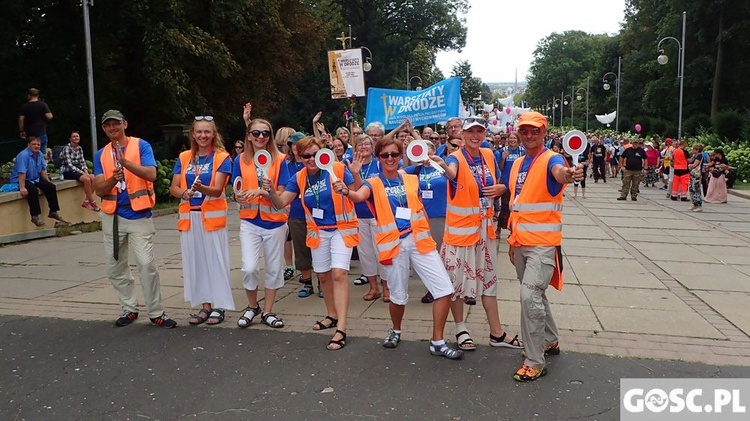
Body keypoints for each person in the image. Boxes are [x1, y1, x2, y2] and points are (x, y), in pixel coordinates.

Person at [334, 138, 463, 360]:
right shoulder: (373, 182)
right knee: (398, 297)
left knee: (444, 289)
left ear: (400, 156)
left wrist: (436, 160)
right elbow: (358, 196)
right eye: (385, 155)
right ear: (378, 159)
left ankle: (437, 341)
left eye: (394, 154)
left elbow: (442, 174)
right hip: (393, 245)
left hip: (419, 240)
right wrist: (347, 188)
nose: (390, 159)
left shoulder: (410, 176)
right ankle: (396, 330)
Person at [431, 116, 522, 352]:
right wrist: (441, 165)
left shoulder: (489, 155)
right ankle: (461, 328)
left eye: (480, 131)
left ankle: (496, 332)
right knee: (458, 283)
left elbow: (499, 182)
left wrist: (503, 188)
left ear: (484, 134)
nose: (475, 136)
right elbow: (451, 173)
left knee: (489, 281)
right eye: (471, 131)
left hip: (485, 229)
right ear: (462, 134)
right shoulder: (455, 158)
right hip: (461, 232)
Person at [507, 111, 583, 382]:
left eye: (534, 131)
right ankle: (549, 340)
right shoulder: (517, 163)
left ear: (544, 133)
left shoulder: (552, 159)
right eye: (524, 131)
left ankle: (535, 359)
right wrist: (512, 241)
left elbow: (561, 174)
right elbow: (518, 202)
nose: (529, 135)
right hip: (520, 243)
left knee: (529, 298)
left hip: (542, 245)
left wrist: (570, 175)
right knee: (535, 295)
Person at [265, 136, 360, 351]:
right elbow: (281, 203)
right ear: (299, 157)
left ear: (322, 153)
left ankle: (342, 328)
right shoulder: (299, 177)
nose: (311, 159)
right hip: (318, 232)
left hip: (341, 230)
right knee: (323, 275)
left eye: (315, 154)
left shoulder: (336, 167)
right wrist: (270, 190)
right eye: (306, 155)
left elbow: (358, 194)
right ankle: (332, 315)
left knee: (339, 274)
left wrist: (351, 178)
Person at [93, 109, 176, 328]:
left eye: (116, 124)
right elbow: (99, 190)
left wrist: (127, 164)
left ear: (125, 124)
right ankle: (129, 308)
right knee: (115, 267)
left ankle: (156, 312)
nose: (113, 128)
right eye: (108, 125)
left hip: (139, 214)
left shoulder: (140, 146)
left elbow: (152, 174)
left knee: (146, 264)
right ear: (104, 128)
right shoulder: (101, 154)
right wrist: (113, 178)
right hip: (112, 216)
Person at [170, 116, 234, 325]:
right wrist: (184, 193)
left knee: (215, 262)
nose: (203, 136)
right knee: (197, 263)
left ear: (213, 134)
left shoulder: (222, 158)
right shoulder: (184, 157)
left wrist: (200, 189)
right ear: (193, 135)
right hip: (190, 217)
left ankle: (219, 306)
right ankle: (205, 305)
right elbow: (174, 187)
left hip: (212, 219)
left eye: (207, 132)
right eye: (199, 132)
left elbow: (217, 189)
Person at [232, 119, 290, 329]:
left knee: (274, 268)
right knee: (249, 268)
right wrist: (236, 196)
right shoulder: (240, 160)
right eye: (255, 133)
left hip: (274, 221)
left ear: (270, 136)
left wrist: (265, 191)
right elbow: (236, 187)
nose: (260, 137)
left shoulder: (281, 159)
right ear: (248, 136)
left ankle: (268, 311)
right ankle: (252, 306)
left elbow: (283, 193)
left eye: (265, 133)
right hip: (249, 220)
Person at [401, 141, 448, 304]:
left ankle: (446, 287)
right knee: (429, 254)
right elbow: (393, 174)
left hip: (444, 215)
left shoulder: (442, 166)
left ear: (435, 152)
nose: (425, 157)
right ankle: (433, 289)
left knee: (444, 253)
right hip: (422, 219)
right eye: (422, 154)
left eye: (428, 153)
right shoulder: (415, 170)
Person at [348, 134, 389, 301]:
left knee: (382, 252)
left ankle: (387, 288)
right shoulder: (349, 165)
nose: (364, 147)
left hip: (378, 214)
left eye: (367, 144)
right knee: (365, 253)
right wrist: (355, 173)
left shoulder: (380, 163)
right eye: (360, 144)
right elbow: (357, 191)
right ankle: (374, 287)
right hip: (360, 214)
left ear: (373, 147)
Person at [285, 132, 321, 298]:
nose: (294, 146)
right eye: (292, 144)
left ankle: (322, 282)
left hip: (318, 215)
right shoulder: (287, 165)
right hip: (297, 212)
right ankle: (307, 282)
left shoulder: (320, 164)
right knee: (301, 248)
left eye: (298, 143)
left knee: (319, 248)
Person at [10, 136, 65, 227]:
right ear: (28, 145)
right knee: (33, 190)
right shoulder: (23, 155)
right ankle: (35, 216)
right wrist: (22, 187)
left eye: (38, 144)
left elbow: (42, 170)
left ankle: (53, 211)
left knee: (51, 187)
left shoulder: (39, 154)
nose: (36, 146)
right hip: (22, 179)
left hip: (34, 178)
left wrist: (47, 182)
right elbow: (22, 173)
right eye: (34, 144)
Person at [61, 131, 99, 211]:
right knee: (87, 179)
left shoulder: (79, 148)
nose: (76, 138)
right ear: (70, 139)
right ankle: (92, 201)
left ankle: (86, 201)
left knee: (93, 177)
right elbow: (69, 165)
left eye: (77, 136)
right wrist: (82, 173)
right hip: (68, 171)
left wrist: (86, 172)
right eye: (74, 136)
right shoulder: (67, 148)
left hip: (78, 170)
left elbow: (82, 162)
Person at [496, 132, 525, 232]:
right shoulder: (503, 151)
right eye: (510, 138)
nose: (512, 140)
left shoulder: (522, 151)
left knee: (516, 208)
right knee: (504, 206)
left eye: (514, 138)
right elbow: (500, 168)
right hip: (506, 183)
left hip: (518, 184)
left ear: (518, 140)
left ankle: (513, 230)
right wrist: (503, 158)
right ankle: (499, 228)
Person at [19, 88, 53, 156]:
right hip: (41, 132)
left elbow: (21, 120)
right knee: (42, 155)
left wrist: (21, 131)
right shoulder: (43, 105)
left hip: (30, 134)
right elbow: (50, 116)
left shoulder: (25, 106)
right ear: (38, 95)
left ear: (29, 95)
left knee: (30, 154)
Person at [687, 143, 705, 212]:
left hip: (696, 174)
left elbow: (694, 165)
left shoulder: (699, 156)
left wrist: (689, 165)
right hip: (692, 174)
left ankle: (698, 204)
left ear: (697, 150)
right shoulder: (695, 156)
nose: (692, 150)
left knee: (696, 189)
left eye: (693, 149)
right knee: (692, 188)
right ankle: (694, 204)